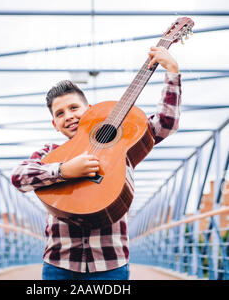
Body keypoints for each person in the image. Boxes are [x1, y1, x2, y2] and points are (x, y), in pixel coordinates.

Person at [11, 46, 181, 280]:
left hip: (110, 265)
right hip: (59, 264)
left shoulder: (122, 146)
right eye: (59, 114)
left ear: (89, 111)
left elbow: (164, 124)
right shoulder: (50, 153)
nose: (68, 116)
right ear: (54, 124)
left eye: (73, 108)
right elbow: (18, 178)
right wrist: (64, 171)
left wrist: (171, 71)